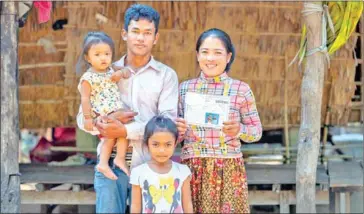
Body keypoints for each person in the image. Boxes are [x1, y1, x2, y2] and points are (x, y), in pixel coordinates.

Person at [76, 4, 179, 213]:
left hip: (152, 163)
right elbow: (81, 118)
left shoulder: (166, 76)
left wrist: (125, 131)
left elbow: (168, 124)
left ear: (156, 37)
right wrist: (99, 123)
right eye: (135, 31)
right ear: (124, 34)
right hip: (110, 163)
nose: (141, 38)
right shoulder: (101, 71)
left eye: (147, 33)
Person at [175, 28, 263, 213]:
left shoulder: (241, 90)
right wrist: (177, 131)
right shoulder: (184, 89)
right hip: (192, 169)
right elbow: (172, 137)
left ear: (229, 56)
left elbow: (256, 132)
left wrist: (239, 130)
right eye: (205, 52)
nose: (210, 58)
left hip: (228, 169)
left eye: (218, 53)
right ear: (197, 55)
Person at [76, 31, 131, 180]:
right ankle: (103, 163)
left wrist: (121, 73)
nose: (103, 58)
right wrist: (88, 118)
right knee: (110, 136)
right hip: (102, 113)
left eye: (107, 54)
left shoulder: (112, 69)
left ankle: (119, 158)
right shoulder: (88, 78)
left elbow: (127, 72)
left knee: (125, 131)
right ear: (88, 58)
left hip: (116, 110)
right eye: (98, 54)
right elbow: (85, 99)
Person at [130, 115, 193, 213]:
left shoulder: (183, 171)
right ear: (147, 144)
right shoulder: (138, 172)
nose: (162, 150)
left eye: (168, 144)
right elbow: (135, 207)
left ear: (175, 144)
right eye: (155, 144)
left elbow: (187, 205)